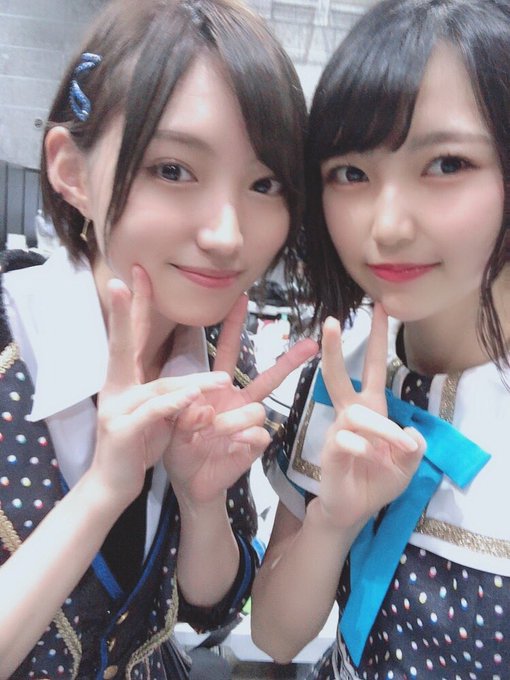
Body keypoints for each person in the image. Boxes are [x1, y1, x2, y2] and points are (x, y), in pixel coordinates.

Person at [0, 0, 318, 677]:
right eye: (173, 169)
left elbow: (210, 608)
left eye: (265, 183)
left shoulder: (221, 363)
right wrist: (103, 490)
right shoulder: (11, 344)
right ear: (71, 170)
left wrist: (202, 504)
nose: (228, 235)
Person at [252, 0, 510, 678]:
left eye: (447, 163)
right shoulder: (338, 374)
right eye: (351, 173)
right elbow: (275, 636)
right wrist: (334, 519)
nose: (387, 226)